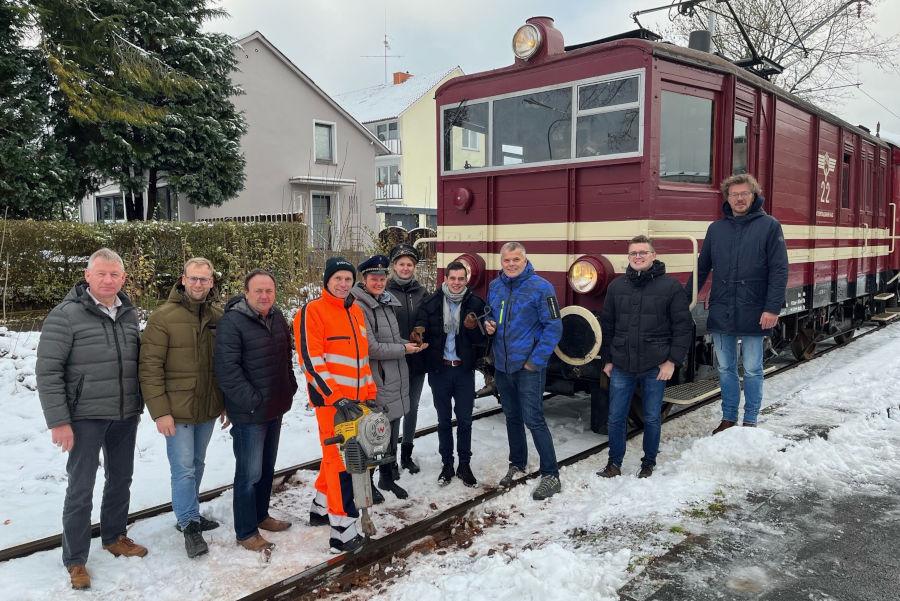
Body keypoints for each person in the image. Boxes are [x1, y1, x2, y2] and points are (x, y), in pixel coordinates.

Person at [36, 248, 147, 590]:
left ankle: (114, 535)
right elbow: (48, 371)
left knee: (120, 478)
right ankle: (75, 559)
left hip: (124, 413)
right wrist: (59, 421)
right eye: (101, 274)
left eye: (114, 274)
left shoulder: (128, 314)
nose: (108, 280)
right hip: (84, 417)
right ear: (87, 276)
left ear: (123, 279)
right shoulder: (65, 316)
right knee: (80, 487)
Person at [140, 257, 228, 558]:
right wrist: (160, 411)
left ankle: (189, 513)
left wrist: (224, 402)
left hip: (207, 406)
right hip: (177, 410)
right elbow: (150, 367)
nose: (199, 284)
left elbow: (225, 364)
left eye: (204, 279)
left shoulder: (218, 314)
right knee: (183, 469)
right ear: (183, 279)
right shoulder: (163, 317)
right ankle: (189, 523)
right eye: (194, 279)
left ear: (212, 282)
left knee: (198, 464)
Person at [295, 257, 378, 553]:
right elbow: (311, 359)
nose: (343, 284)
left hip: (357, 402)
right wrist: (335, 397)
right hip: (333, 404)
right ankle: (341, 531)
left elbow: (362, 359)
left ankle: (320, 508)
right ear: (326, 281)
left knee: (341, 459)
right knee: (341, 462)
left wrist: (370, 393)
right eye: (337, 279)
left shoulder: (355, 311)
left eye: (347, 279)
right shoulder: (312, 312)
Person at [696, 174, 788, 434]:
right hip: (722, 309)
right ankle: (728, 418)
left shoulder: (770, 226)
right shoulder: (716, 229)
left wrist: (772, 308)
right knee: (725, 368)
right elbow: (702, 269)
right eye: (734, 194)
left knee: (752, 369)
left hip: (755, 310)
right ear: (727, 198)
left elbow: (779, 270)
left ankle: (750, 420)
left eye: (744, 193)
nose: (739, 198)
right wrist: (685, 298)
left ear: (754, 195)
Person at [214, 269, 298, 556]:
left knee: (265, 469)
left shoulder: (276, 318)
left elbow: (286, 355)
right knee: (248, 474)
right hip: (250, 413)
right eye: (258, 291)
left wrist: (290, 385)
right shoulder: (233, 322)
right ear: (246, 293)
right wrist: (253, 401)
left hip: (275, 407)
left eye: (269, 291)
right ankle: (246, 531)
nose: (264, 296)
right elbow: (228, 371)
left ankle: (262, 515)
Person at [597, 236, 693, 479]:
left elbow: (682, 327)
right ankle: (613, 463)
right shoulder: (617, 287)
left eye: (642, 252)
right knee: (616, 417)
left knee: (651, 417)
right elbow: (607, 326)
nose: (638, 257)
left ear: (653, 255)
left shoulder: (670, 287)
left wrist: (672, 361)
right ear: (628, 258)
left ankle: (648, 462)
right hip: (621, 364)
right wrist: (606, 360)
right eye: (633, 254)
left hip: (655, 365)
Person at [484, 242, 563, 501]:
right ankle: (517, 462)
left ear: (525, 259)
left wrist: (535, 361)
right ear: (501, 262)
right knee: (512, 417)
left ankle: (551, 474)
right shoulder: (496, 287)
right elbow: (489, 315)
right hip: (503, 366)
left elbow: (554, 327)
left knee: (533, 418)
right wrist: (488, 325)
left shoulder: (541, 288)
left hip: (527, 366)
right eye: (507, 260)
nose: (511, 264)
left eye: (516, 259)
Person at [349, 255, 427, 501]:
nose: (379, 282)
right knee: (374, 433)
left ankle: (387, 477)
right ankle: (370, 482)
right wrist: (405, 350)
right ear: (364, 279)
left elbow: (391, 341)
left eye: (382, 278)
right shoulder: (359, 306)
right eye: (374, 278)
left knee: (392, 429)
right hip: (377, 378)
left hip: (393, 375)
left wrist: (409, 344)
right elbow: (371, 348)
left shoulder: (385, 302)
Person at [415, 260, 487, 486]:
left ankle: (464, 464)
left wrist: (473, 329)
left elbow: (483, 342)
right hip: (440, 370)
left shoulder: (475, 303)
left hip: (464, 371)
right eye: (452, 278)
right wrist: (418, 332)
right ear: (445, 279)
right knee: (443, 420)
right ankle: (447, 464)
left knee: (465, 421)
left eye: (461, 279)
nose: (456, 283)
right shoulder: (431, 302)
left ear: (466, 280)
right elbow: (421, 327)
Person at [386, 243, 430, 475]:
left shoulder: (422, 292)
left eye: (409, 264)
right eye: (401, 264)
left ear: (414, 267)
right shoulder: (384, 291)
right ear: (394, 266)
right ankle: (390, 458)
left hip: (416, 361)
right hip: (393, 360)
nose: (405, 268)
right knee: (394, 410)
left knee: (411, 408)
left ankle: (407, 454)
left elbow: (431, 320)